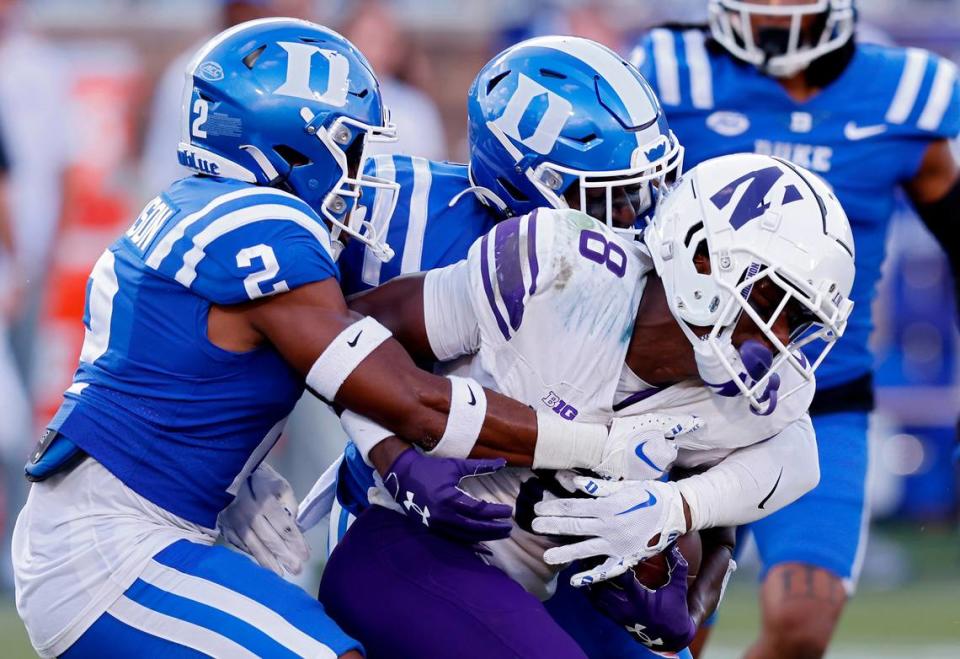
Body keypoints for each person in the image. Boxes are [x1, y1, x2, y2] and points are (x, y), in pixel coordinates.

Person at [11, 20, 645, 658]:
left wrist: (240, 481)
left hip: (120, 517)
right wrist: (598, 445)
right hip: (113, 548)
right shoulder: (267, 224)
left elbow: (207, 370)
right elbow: (410, 398)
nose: (362, 169)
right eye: (351, 145)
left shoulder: (194, 203)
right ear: (292, 147)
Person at [314, 149, 853, 659]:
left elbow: (796, 460)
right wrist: (389, 451)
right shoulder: (562, 269)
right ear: (702, 257)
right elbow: (353, 331)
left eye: (797, 320)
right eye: (768, 301)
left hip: (549, 578)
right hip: (412, 548)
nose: (777, 336)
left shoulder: (759, 397)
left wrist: (678, 515)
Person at [628, 1, 960, 656]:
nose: (772, 11)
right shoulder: (672, 71)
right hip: (684, 394)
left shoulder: (905, 96)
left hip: (818, 397)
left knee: (802, 626)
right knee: (669, 630)